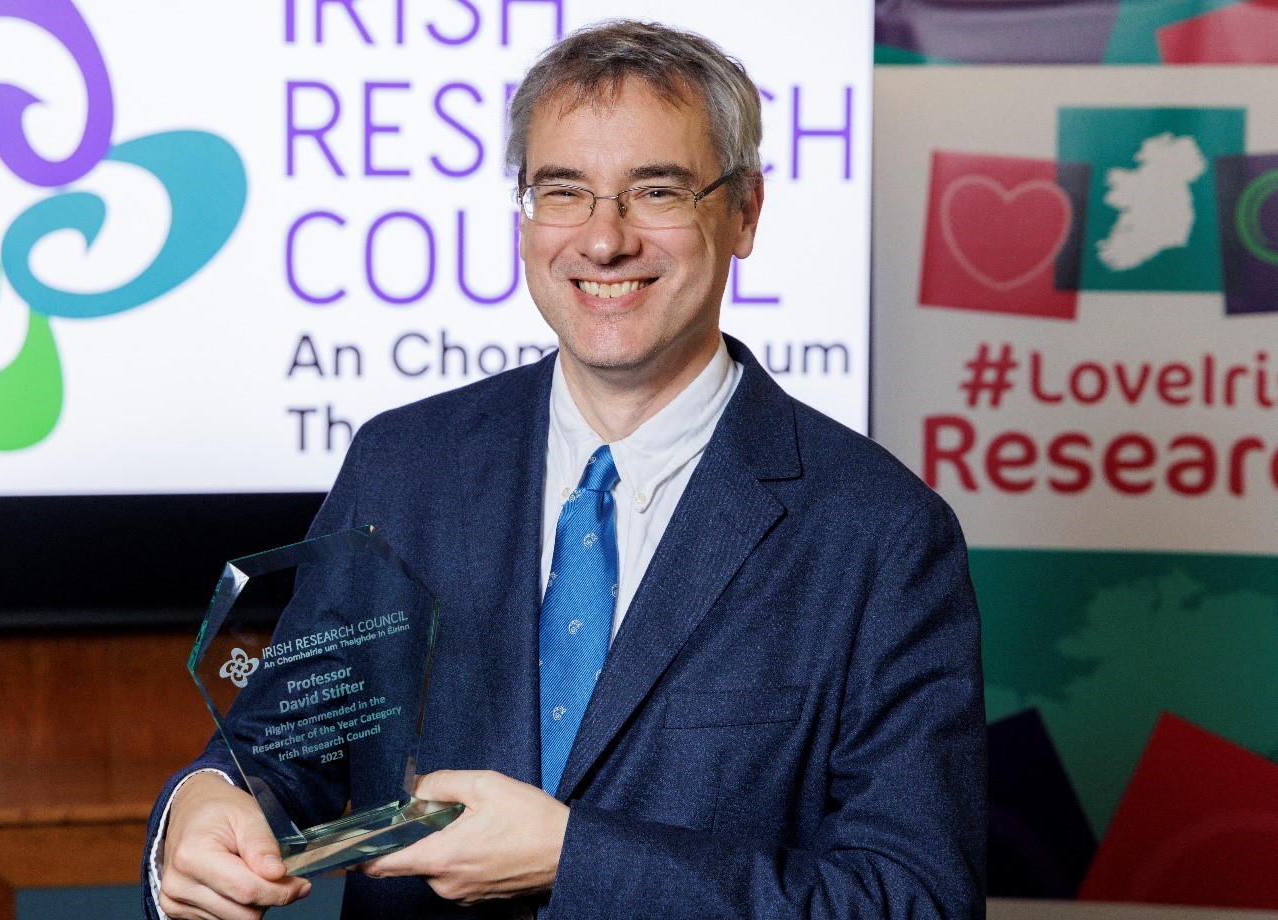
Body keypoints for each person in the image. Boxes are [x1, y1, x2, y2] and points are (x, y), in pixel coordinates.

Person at [146, 20, 985, 920]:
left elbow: (916, 900)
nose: (602, 239)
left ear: (744, 212)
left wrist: (574, 859)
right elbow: (281, 753)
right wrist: (198, 806)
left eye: (654, 190)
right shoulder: (404, 464)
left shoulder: (880, 532)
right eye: (563, 191)